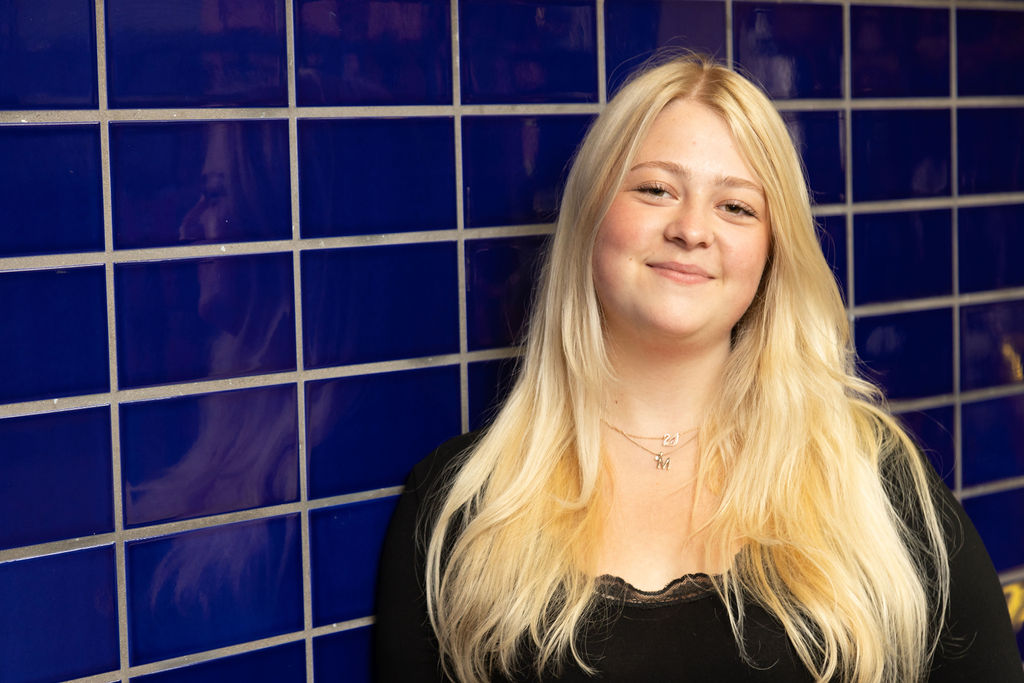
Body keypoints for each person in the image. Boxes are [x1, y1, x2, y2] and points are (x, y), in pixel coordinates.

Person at [374, 54, 1022, 682]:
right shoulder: (460, 507)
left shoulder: (868, 481)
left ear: (772, 252)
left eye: (736, 206)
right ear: (591, 219)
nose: (691, 228)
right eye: (656, 189)